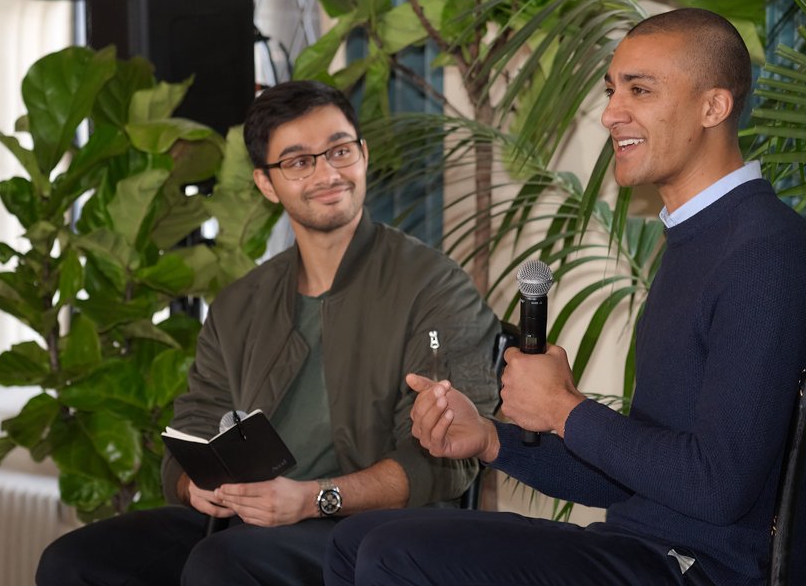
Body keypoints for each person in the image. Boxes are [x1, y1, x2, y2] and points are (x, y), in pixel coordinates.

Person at [325, 8, 806, 586]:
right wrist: (492, 438)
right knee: (355, 539)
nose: (610, 112)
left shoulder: (764, 255)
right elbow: (636, 473)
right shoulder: (700, 238)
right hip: (641, 549)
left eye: (640, 90)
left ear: (713, 107)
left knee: (393, 554)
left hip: (702, 571)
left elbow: (715, 487)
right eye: (611, 89)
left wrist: (564, 410)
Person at [36, 79, 501, 585]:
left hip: (373, 532)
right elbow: (194, 422)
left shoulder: (434, 286)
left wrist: (313, 498)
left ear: (363, 155)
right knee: (74, 563)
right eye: (299, 161)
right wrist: (197, 485)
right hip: (246, 521)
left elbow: (445, 458)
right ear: (265, 183)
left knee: (223, 564)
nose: (328, 173)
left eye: (340, 151)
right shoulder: (241, 302)